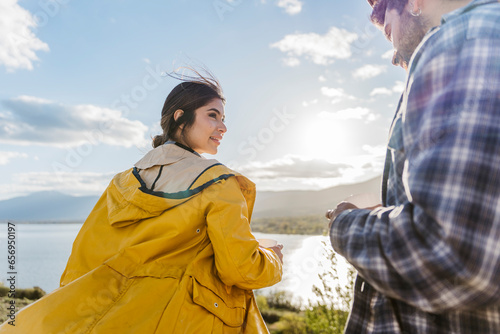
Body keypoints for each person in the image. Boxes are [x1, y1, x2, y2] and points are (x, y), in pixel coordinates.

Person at [0, 70, 283, 333]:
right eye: (212, 115)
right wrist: (273, 260)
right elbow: (240, 268)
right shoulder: (219, 183)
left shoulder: (122, 184)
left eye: (223, 119)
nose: (222, 127)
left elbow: (80, 266)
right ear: (180, 117)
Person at [326, 0, 500, 332]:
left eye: (382, 9)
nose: (381, 26)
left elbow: (452, 256)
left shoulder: (462, 39)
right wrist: (397, 214)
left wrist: (346, 223)